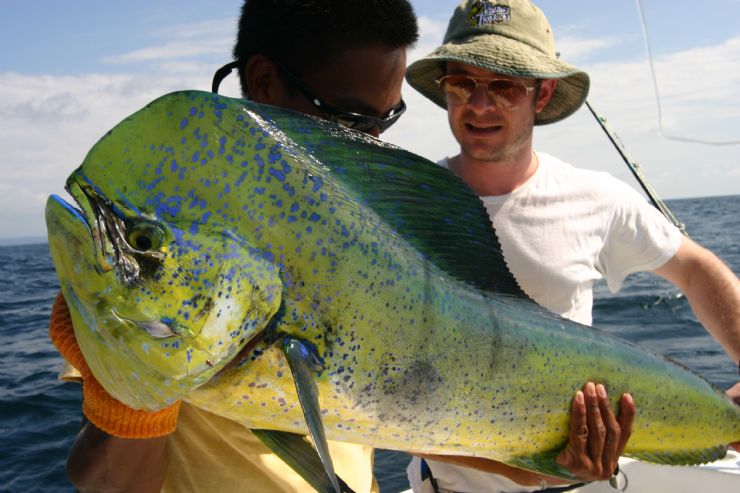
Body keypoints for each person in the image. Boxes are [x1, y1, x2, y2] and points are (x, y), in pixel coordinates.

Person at [50, 1, 418, 492]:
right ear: (264, 80)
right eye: (349, 120)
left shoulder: (367, 231)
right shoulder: (169, 232)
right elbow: (109, 485)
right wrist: (130, 405)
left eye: (385, 121)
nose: (369, 144)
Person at [404, 1, 740, 492]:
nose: (478, 105)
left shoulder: (597, 196)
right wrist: (525, 466)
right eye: (461, 84)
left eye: (504, 86)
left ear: (542, 95)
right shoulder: (405, 206)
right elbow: (383, 389)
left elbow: (694, 268)